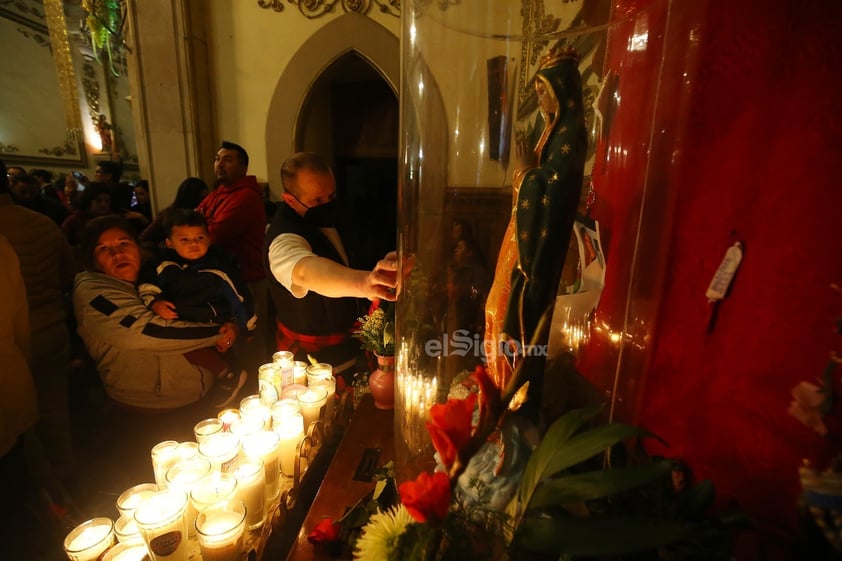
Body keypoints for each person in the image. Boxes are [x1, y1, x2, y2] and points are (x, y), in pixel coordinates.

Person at [484, 47, 588, 392]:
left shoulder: (569, 136)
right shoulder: (553, 134)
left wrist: (525, 173)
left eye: (545, 91)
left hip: (534, 253)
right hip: (522, 239)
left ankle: (513, 394)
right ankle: (501, 391)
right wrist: (528, 172)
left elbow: (551, 194)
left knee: (510, 318)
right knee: (495, 307)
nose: (541, 99)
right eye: (538, 92)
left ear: (562, 91)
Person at [73, 215, 238, 411]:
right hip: (148, 407)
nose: (118, 254)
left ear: (137, 247)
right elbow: (146, 333)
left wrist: (233, 320)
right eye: (103, 249)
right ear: (93, 260)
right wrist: (220, 333)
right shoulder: (94, 293)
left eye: (124, 243)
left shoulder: (161, 271)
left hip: (202, 393)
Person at [265, 152, 398, 376]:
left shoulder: (326, 216)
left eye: (331, 195)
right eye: (317, 200)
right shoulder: (282, 239)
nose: (327, 204)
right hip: (310, 361)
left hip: (346, 345)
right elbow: (306, 272)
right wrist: (365, 283)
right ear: (289, 199)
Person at [0, 160, 77, 505]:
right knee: (54, 415)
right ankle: (68, 484)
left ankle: (47, 498)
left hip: (15, 346)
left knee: (22, 432)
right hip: (49, 331)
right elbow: (66, 276)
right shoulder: (42, 224)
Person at [138, 209, 255, 395]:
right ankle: (225, 376)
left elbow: (240, 297)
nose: (193, 244)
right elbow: (147, 285)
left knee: (225, 353)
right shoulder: (162, 264)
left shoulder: (219, 265)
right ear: (169, 242)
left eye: (199, 238)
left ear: (208, 239)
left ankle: (233, 380)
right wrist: (154, 303)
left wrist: (246, 328)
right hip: (179, 322)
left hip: (214, 323)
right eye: (184, 239)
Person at [197, 141, 268, 361]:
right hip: (227, 278)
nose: (220, 164)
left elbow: (214, 234)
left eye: (227, 160)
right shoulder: (219, 193)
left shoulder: (246, 196)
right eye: (218, 159)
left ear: (243, 168)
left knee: (252, 339)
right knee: (231, 339)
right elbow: (191, 223)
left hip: (248, 280)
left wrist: (205, 224)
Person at [140, 176, 209, 249]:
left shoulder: (203, 211)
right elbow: (144, 238)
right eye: (203, 197)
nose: (206, 201)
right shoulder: (168, 215)